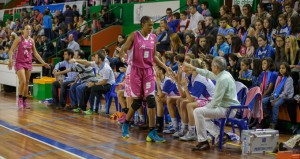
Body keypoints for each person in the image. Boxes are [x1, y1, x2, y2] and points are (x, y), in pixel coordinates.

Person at [119, 16, 172, 142]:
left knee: (151, 100)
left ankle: (152, 132)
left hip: (148, 70)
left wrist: (165, 66)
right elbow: (123, 49)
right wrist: (123, 59)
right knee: (137, 102)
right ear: (142, 24)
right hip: (135, 71)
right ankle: (126, 123)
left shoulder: (153, 37)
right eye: (149, 25)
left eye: (152, 25)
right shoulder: (134, 35)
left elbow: (153, 56)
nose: (151, 28)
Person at [183, 56, 240, 151]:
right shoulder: (224, 73)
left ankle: (203, 142)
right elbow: (208, 73)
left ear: (216, 68)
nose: (210, 68)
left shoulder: (222, 79)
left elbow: (215, 102)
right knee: (201, 115)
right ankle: (220, 135)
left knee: (198, 112)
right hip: (226, 107)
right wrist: (194, 68)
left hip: (227, 109)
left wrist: (205, 108)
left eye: (212, 66)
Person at [8, 25, 50, 109]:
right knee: (22, 81)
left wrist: (44, 63)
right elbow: (11, 50)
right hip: (19, 62)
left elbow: (36, 54)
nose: (28, 30)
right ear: (23, 30)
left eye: (30, 29)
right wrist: (10, 60)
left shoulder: (32, 40)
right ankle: (20, 100)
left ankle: (25, 101)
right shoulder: (19, 39)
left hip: (28, 62)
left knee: (27, 82)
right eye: (27, 29)